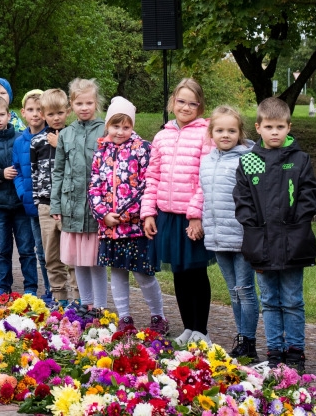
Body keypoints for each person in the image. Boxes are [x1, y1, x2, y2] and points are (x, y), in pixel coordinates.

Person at [234, 97, 316, 373]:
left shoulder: (300, 160)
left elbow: (309, 194)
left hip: (294, 242)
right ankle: (275, 352)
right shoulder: (249, 162)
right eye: (269, 126)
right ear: (258, 127)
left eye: (280, 126)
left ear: (288, 127)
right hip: (261, 243)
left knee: (293, 299)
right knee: (269, 301)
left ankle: (295, 351)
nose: (274, 132)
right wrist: (252, 224)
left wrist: (298, 219)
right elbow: (242, 199)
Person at [142, 78, 214, 342]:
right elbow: (152, 177)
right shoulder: (162, 135)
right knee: (179, 273)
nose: (185, 107)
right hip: (167, 215)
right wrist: (148, 212)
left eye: (192, 103)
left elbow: (205, 177)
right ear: (172, 102)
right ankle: (187, 328)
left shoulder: (206, 134)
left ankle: (201, 330)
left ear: (200, 106)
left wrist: (196, 215)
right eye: (181, 101)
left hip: (191, 215)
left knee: (196, 272)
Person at [89, 96, 166, 333]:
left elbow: (148, 184)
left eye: (126, 126)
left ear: (132, 125)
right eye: (115, 125)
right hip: (111, 227)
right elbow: (94, 187)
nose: (121, 131)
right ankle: (124, 317)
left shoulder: (143, 149)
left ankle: (158, 316)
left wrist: (127, 213)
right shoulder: (102, 151)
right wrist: (104, 214)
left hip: (136, 226)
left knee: (143, 274)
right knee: (118, 272)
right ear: (107, 125)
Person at [199, 105, 259, 359]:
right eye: (220, 130)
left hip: (242, 235)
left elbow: (258, 195)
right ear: (211, 132)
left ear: (240, 132)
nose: (226, 135)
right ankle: (241, 335)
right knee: (233, 290)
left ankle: (249, 340)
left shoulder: (249, 158)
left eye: (231, 130)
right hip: (217, 236)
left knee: (245, 289)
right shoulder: (206, 160)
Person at [51, 78, 109, 309]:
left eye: (89, 103)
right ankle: (86, 305)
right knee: (78, 261)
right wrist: (56, 204)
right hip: (72, 206)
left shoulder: (105, 129)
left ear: (96, 103)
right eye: (79, 103)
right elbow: (58, 172)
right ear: (71, 106)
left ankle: (102, 308)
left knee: (95, 261)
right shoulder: (65, 134)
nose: (84, 108)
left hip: (97, 207)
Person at [0, 95, 38, 297]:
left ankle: (30, 287)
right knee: (1, 249)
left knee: (27, 249)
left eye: (2, 114)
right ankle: (3, 287)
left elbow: (29, 167)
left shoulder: (21, 139)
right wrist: (1, 174)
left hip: (20, 204)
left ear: (9, 115)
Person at [32, 88, 77, 306]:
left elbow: (79, 167)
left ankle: (79, 299)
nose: (56, 118)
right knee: (51, 256)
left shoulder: (73, 137)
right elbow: (33, 173)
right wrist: (37, 201)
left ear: (67, 112)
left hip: (70, 205)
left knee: (73, 256)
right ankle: (59, 298)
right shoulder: (37, 142)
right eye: (50, 114)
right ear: (42, 115)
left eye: (60, 113)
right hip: (46, 205)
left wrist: (61, 146)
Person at [12, 89, 53, 304]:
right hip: (30, 204)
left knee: (51, 250)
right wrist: (21, 191)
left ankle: (55, 289)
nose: (35, 114)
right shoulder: (19, 142)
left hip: (49, 203)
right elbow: (17, 169)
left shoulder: (52, 137)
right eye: (31, 110)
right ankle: (44, 288)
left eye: (39, 110)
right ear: (23, 113)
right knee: (39, 250)